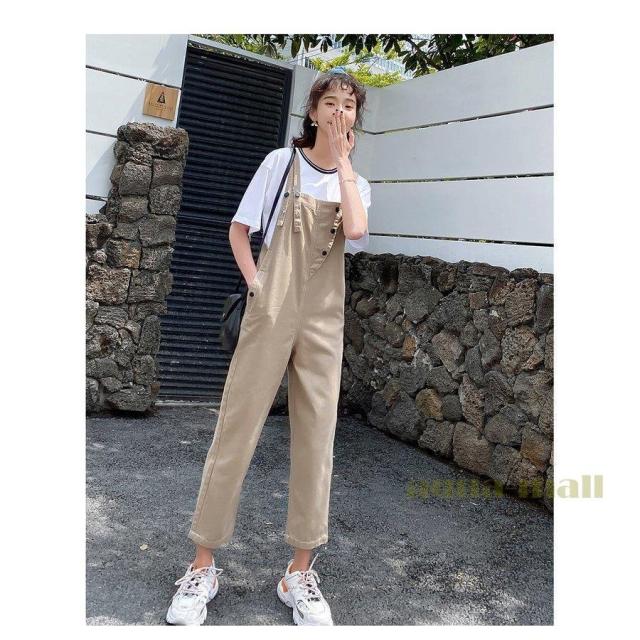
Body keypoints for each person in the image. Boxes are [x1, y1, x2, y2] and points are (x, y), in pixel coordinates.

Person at [166, 69, 371, 626]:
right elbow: (239, 229)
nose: (339, 111)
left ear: (356, 117)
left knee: (318, 438)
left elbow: (355, 231)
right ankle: (202, 564)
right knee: (236, 428)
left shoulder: (355, 183)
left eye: (349, 105)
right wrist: (257, 284)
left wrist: (345, 164)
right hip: (271, 304)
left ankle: (299, 572)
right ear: (313, 111)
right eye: (330, 102)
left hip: (324, 317)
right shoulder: (281, 163)